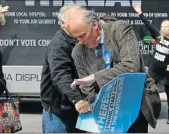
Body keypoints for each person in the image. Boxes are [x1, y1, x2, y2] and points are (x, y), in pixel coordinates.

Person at [68, 5, 161, 133]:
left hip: (133, 108)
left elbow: (131, 66)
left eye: (82, 36)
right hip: (105, 115)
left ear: (95, 25)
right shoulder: (77, 52)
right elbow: (87, 88)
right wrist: (95, 105)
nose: (80, 41)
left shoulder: (120, 29)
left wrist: (94, 77)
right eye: (76, 38)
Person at [40, 5, 86, 133]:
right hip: (59, 114)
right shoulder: (59, 44)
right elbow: (60, 75)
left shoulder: (78, 40)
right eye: (76, 18)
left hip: (73, 111)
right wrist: (77, 99)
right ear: (63, 23)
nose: (81, 21)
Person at [133, 4, 169, 124]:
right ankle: (146, 112)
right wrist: (139, 12)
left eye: (166, 27)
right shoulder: (157, 35)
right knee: (146, 89)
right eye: (162, 27)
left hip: (168, 72)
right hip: (154, 70)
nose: (164, 29)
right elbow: (147, 24)